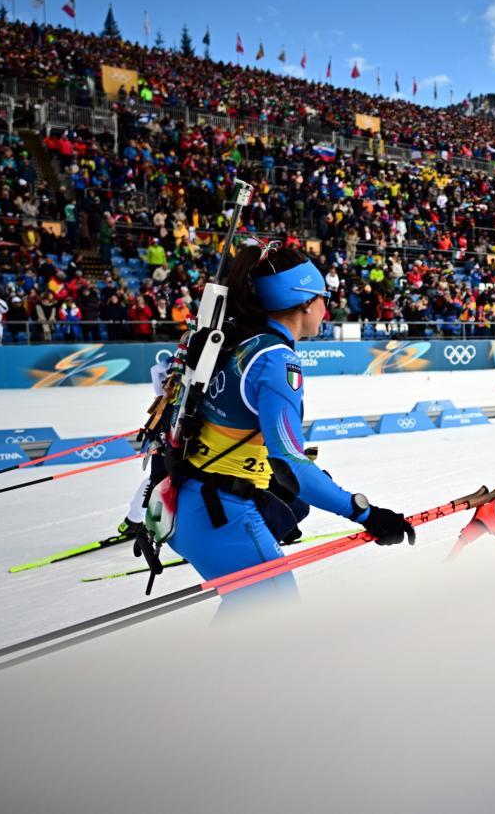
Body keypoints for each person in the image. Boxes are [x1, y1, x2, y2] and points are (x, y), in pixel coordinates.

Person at [147, 243, 414, 609]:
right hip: (223, 514)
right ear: (305, 302)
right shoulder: (275, 361)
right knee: (278, 630)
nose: (327, 307)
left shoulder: (241, 340)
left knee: (249, 631)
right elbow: (290, 463)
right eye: (324, 298)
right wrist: (366, 513)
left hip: (191, 502)